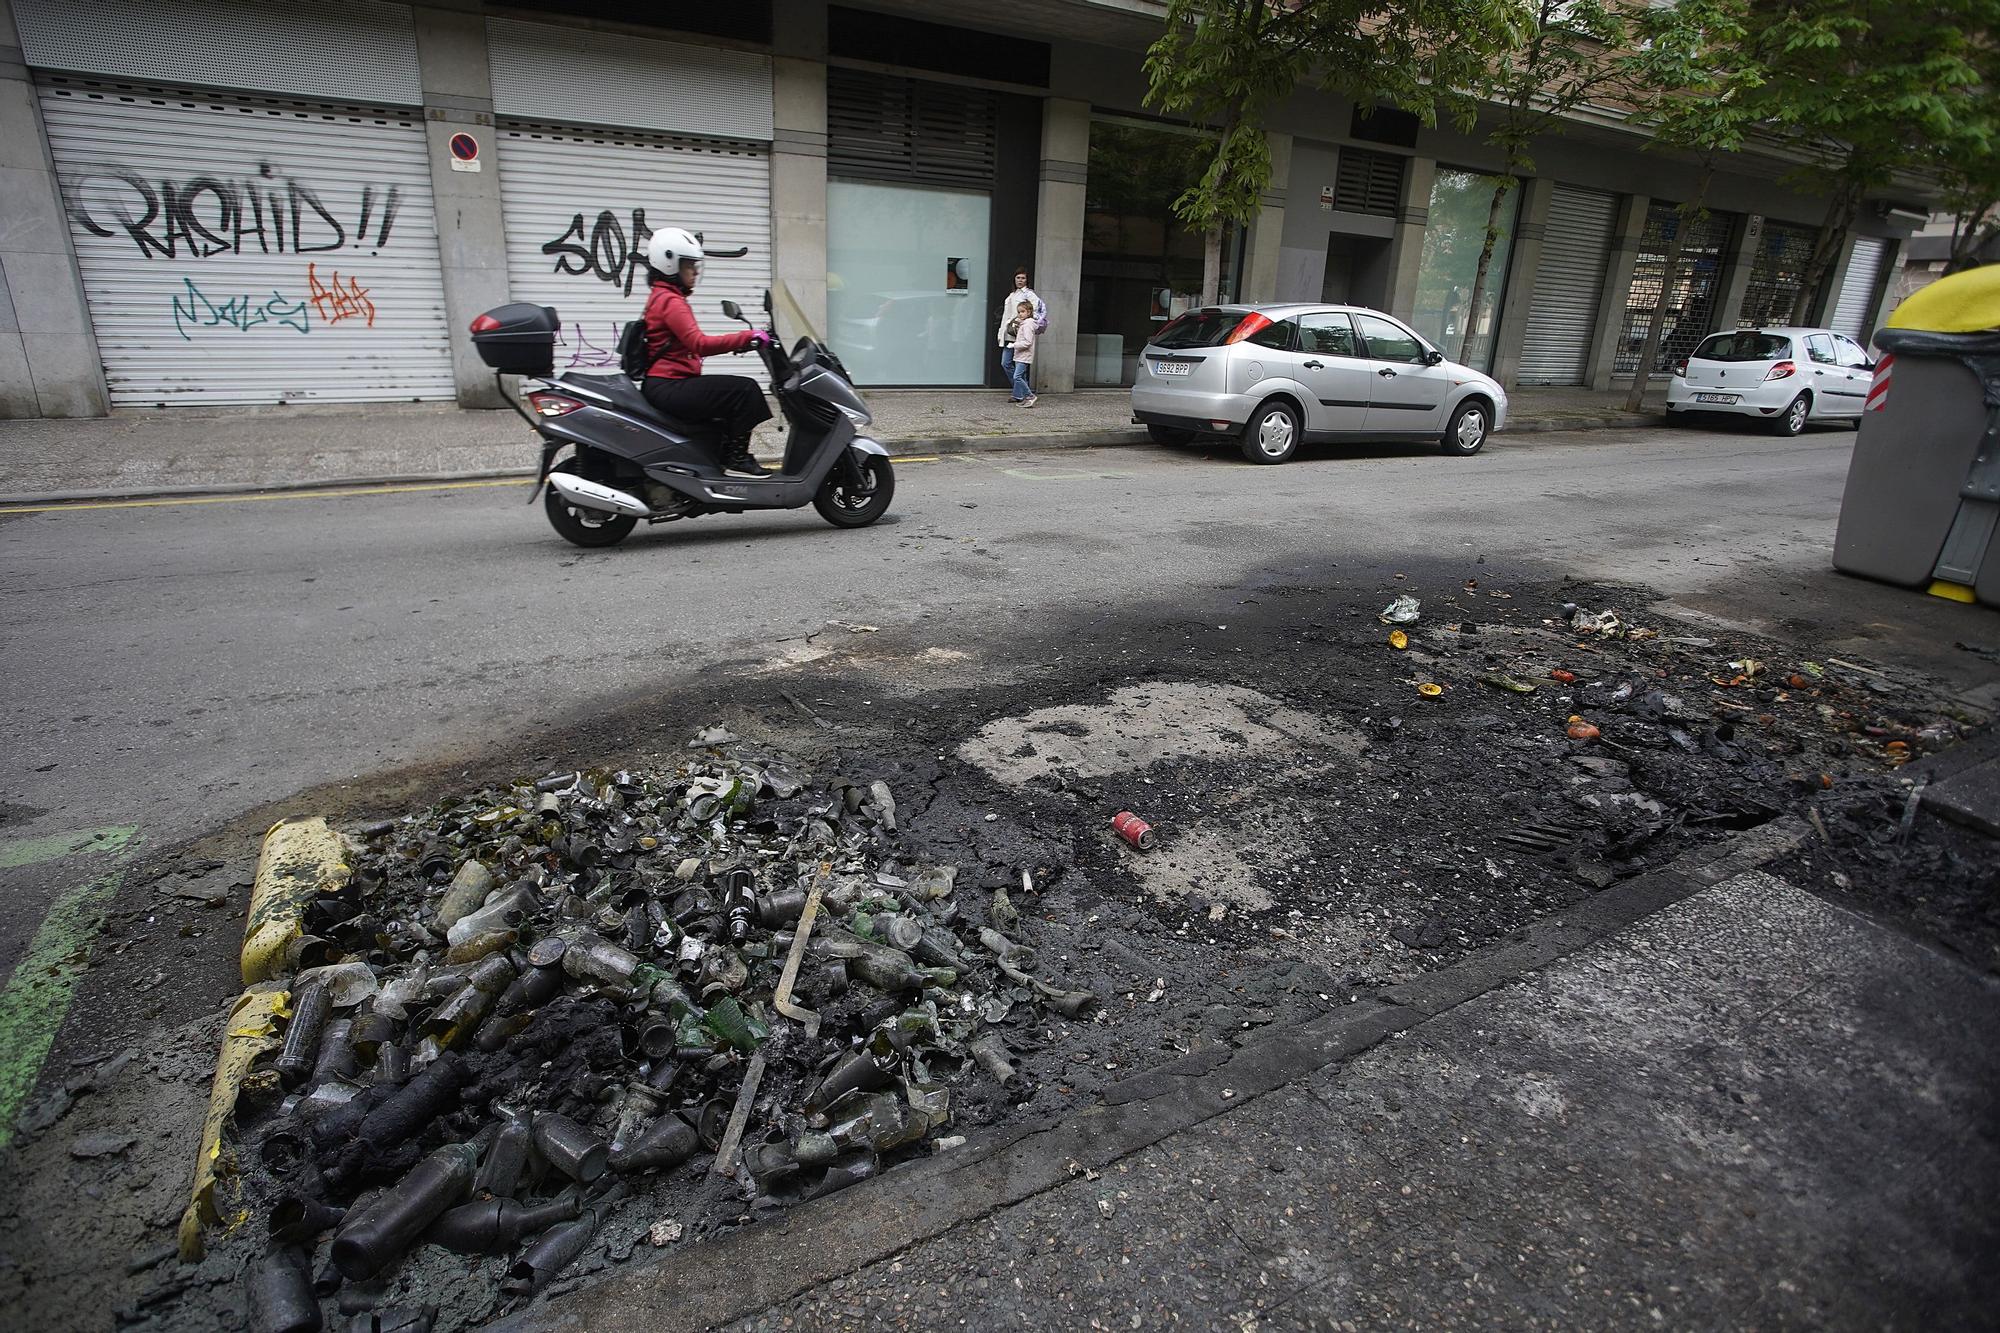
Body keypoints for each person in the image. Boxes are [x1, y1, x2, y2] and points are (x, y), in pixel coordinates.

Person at [639, 226, 774, 476]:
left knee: (724, 401)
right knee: (745, 391)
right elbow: (698, 344)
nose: (695, 271)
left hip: (665, 384)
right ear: (670, 264)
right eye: (689, 265)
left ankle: (718, 457)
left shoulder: (662, 296)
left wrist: (740, 343)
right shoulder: (670, 301)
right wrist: (746, 336)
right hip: (669, 386)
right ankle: (736, 459)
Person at [996, 266, 1047, 396]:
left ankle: (1019, 393)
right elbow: (1005, 316)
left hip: (1019, 333)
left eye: (1023, 278)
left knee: (1019, 364)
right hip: (1009, 332)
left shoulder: (1029, 294)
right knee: (1006, 363)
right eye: (1018, 278)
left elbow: (1035, 311)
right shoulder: (1012, 294)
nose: (1020, 280)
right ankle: (1022, 391)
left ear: (1026, 280)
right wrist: (1001, 332)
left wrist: (1023, 323)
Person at [1007, 298, 1039, 407]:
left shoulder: (1028, 324)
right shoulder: (1025, 324)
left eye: (1023, 312)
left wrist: (1014, 345)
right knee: (1022, 376)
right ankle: (1026, 398)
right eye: (1019, 312)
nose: (1020, 314)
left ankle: (1030, 396)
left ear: (1029, 312)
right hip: (1020, 355)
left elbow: (1027, 342)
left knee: (1017, 377)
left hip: (1024, 355)